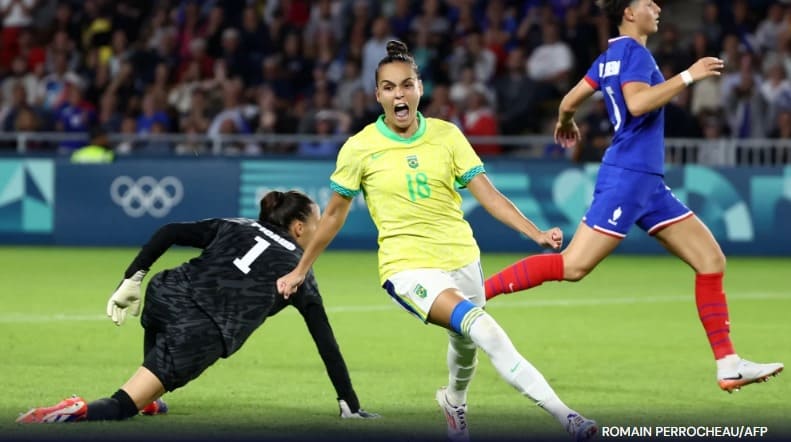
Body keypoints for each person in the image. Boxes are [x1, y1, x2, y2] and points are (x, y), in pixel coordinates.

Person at [276, 40, 597, 442]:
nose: (399, 94)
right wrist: (300, 268)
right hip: (407, 267)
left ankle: (454, 402)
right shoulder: (359, 148)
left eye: (406, 85)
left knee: (466, 347)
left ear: (419, 89)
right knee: (484, 329)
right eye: (389, 87)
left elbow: (488, 194)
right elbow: (335, 216)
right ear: (378, 95)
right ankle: (569, 418)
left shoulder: (447, 136)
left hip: (462, 257)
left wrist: (534, 232)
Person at [484, 0, 783, 393]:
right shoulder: (635, 53)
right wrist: (688, 77)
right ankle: (478, 293)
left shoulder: (610, 56)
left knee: (711, 261)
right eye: (648, 3)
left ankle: (728, 364)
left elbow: (569, 100)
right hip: (628, 177)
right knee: (573, 266)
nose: (657, 7)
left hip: (648, 185)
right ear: (628, 12)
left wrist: (566, 121)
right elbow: (638, 103)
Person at [16, 190, 379, 423]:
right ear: (299, 228)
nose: (322, 231)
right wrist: (349, 401)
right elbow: (325, 340)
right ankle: (73, 410)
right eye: (318, 223)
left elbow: (170, 231)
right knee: (120, 406)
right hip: (200, 331)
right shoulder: (300, 270)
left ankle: (151, 398)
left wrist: (133, 277)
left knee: (160, 329)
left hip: (165, 291)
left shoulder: (237, 225)